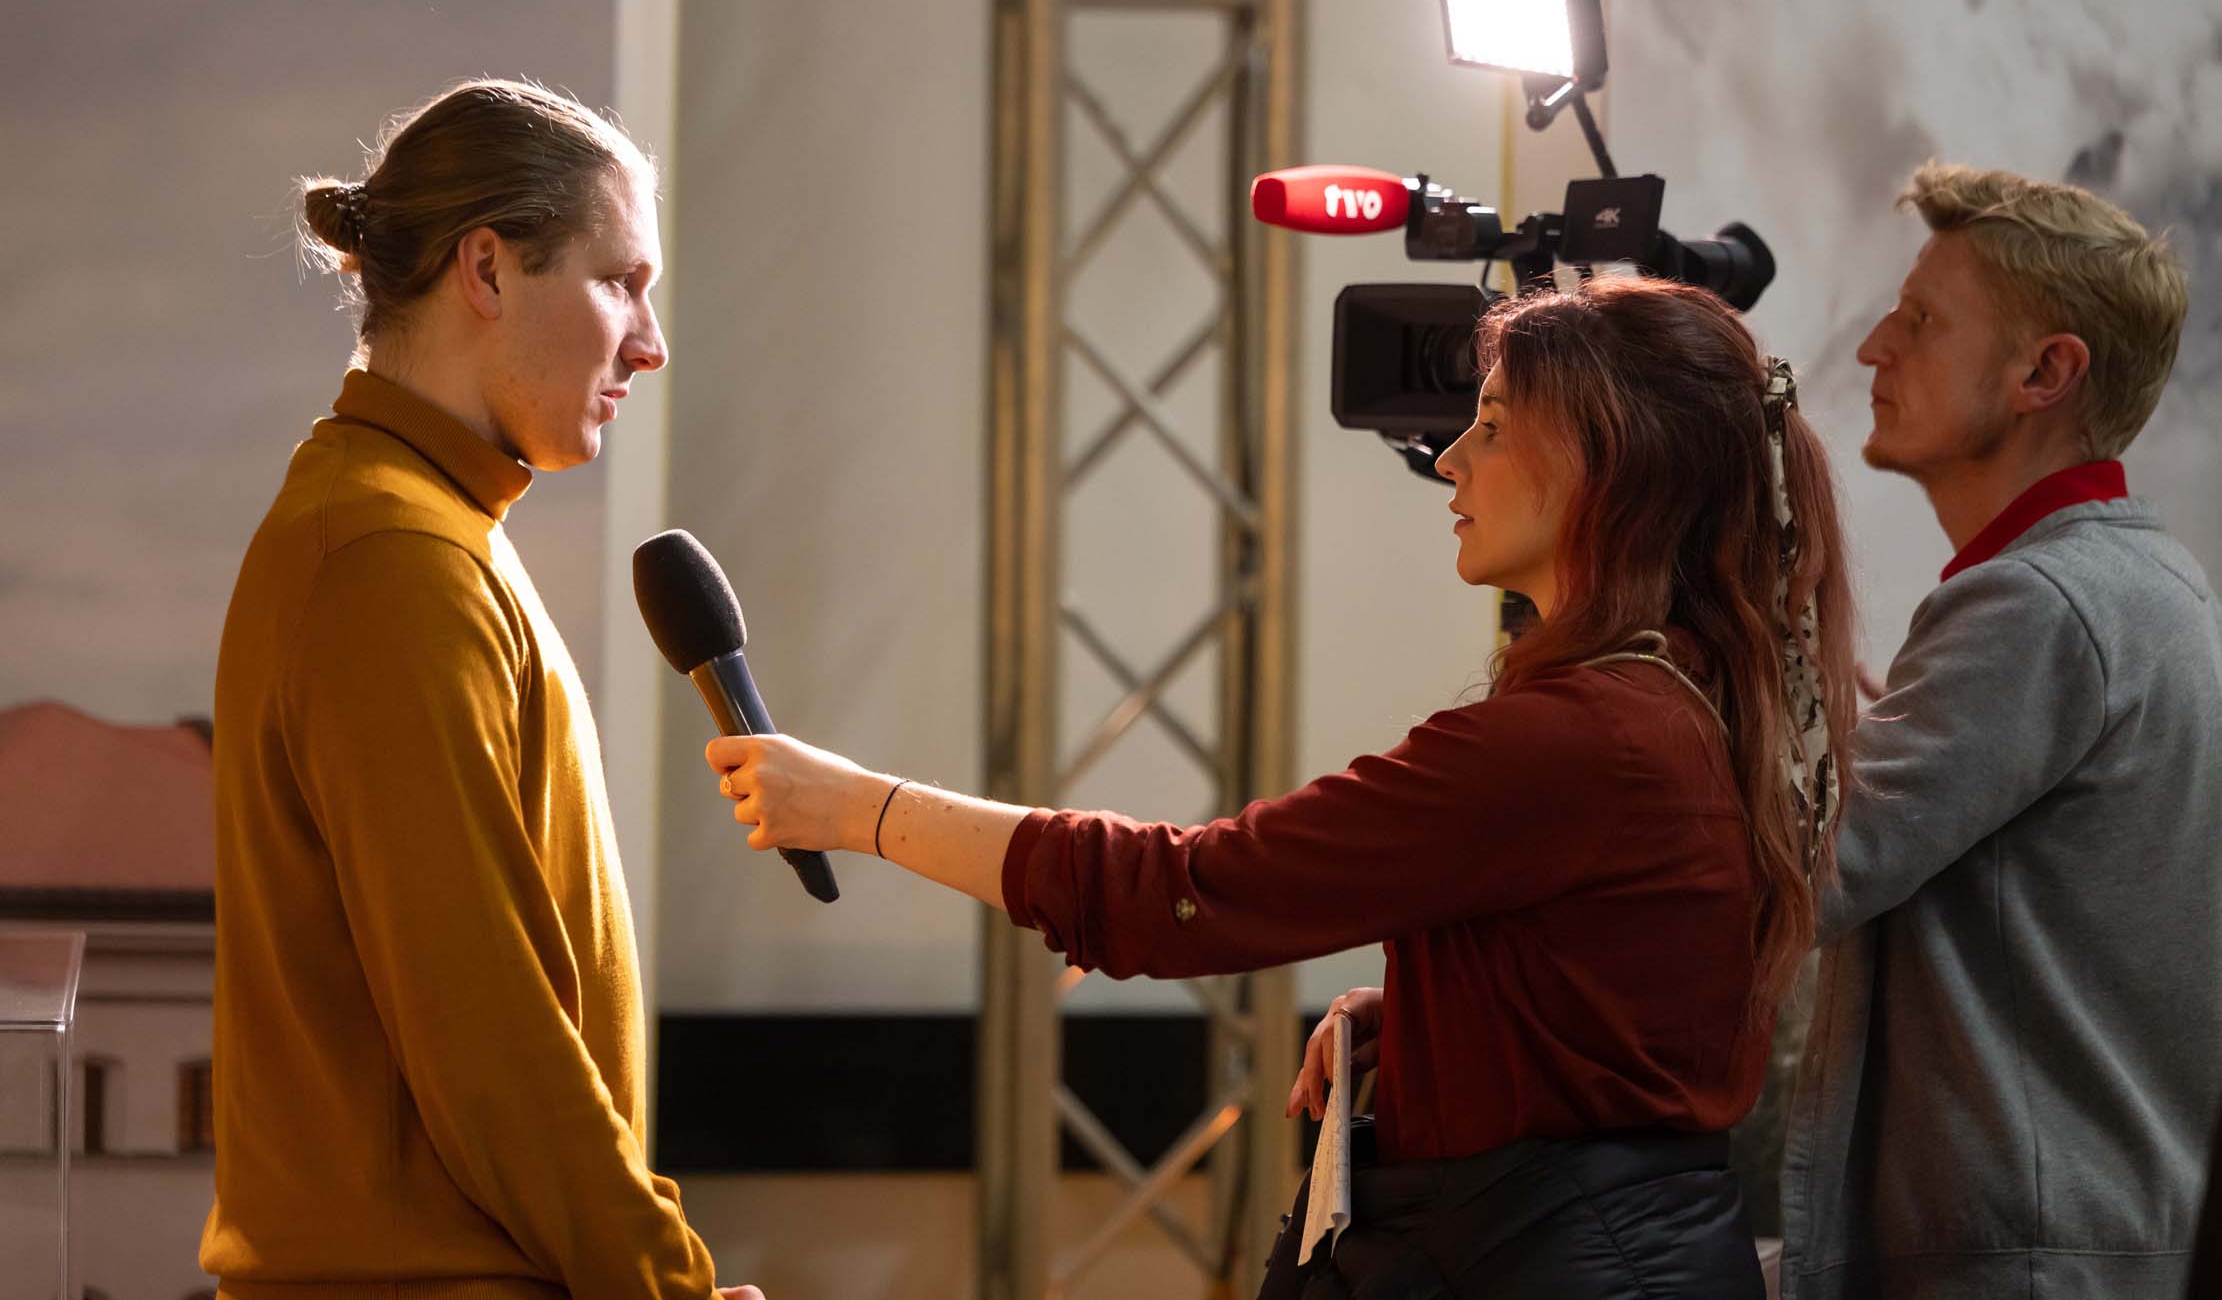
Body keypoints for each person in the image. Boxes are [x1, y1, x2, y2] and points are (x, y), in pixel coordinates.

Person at [703, 279, 1860, 1298]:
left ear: (1605, 467)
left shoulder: (1578, 741)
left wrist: (857, 809)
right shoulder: (1690, 705)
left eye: (1493, 428)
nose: (1450, 459)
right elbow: (1613, 1007)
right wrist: (1426, 1022)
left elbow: (1175, 895)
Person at [203, 80, 758, 1299]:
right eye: (621, 282)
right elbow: (484, 1031)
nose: (651, 343)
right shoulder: (390, 554)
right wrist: (663, 1287)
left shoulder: (414, 526)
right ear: (489, 270)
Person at [1778, 164, 2221, 1300]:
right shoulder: (2136, 580)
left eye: (1920, 320)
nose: (1874, 347)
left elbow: (1799, 872)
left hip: (2015, 1267)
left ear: (2043, 371)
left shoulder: (2039, 605)